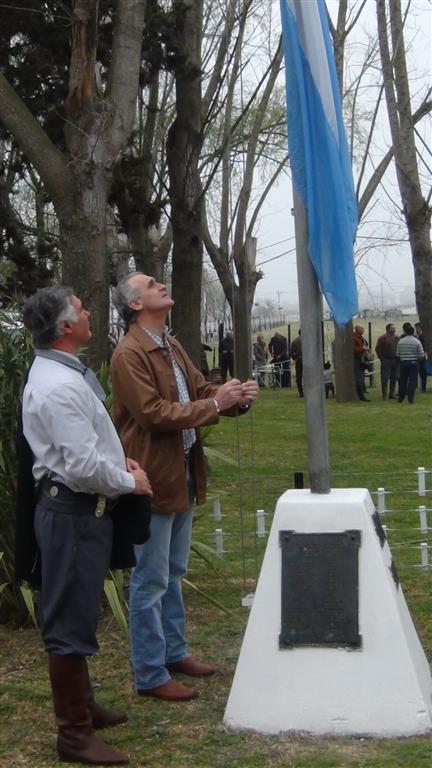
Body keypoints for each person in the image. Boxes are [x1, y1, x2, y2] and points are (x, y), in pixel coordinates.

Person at [110, 272, 259, 703]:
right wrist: (216, 404)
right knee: (150, 578)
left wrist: (234, 397)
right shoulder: (129, 354)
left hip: (183, 472)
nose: (161, 284)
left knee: (174, 572)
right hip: (153, 476)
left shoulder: (169, 344)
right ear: (135, 305)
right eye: (151, 283)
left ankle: (174, 653)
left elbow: (198, 391)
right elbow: (154, 414)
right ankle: (150, 672)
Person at [19, 286, 152, 766]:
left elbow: (84, 448)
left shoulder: (61, 373)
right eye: (81, 309)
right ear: (65, 328)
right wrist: (128, 481)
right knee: (68, 623)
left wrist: (116, 461)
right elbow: (79, 466)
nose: (89, 310)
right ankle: (72, 734)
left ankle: (84, 708)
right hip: (72, 512)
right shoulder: (59, 386)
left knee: (77, 611)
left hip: (77, 513)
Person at [396, 324, 425, 404]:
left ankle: (400, 398)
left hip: (403, 363)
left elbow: (397, 354)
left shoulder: (401, 341)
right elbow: (421, 354)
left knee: (403, 381)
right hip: (413, 363)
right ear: (413, 332)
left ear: (405, 332)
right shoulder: (417, 342)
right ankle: (410, 399)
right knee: (412, 381)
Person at [375, 323, 399, 400]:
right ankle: (384, 395)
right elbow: (377, 348)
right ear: (388, 329)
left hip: (395, 359)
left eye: (394, 328)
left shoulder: (397, 338)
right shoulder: (382, 338)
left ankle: (391, 394)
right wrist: (381, 358)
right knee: (385, 378)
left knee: (394, 377)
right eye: (392, 328)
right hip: (386, 359)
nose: (394, 329)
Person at [353, 324, 371, 402]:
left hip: (362, 360)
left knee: (361, 377)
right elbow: (354, 349)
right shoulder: (354, 338)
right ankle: (360, 396)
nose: (363, 330)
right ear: (357, 330)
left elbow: (365, 345)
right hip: (357, 360)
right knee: (359, 379)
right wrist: (363, 348)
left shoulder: (361, 338)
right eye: (362, 328)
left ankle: (361, 394)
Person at [414, 322, 427, 393]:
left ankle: (423, 388)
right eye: (415, 328)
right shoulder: (415, 336)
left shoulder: (423, 336)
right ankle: (417, 387)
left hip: (422, 357)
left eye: (417, 328)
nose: (416, 329)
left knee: (423, 373)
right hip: (416, 357)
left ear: (421, 328)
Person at [290, 330, 303, 397]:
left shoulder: (294, 341)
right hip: (307, 360)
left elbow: (291, 353)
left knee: (299, 377)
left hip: (298, 360)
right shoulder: (308, 340)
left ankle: (301, 392)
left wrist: (295, 358)